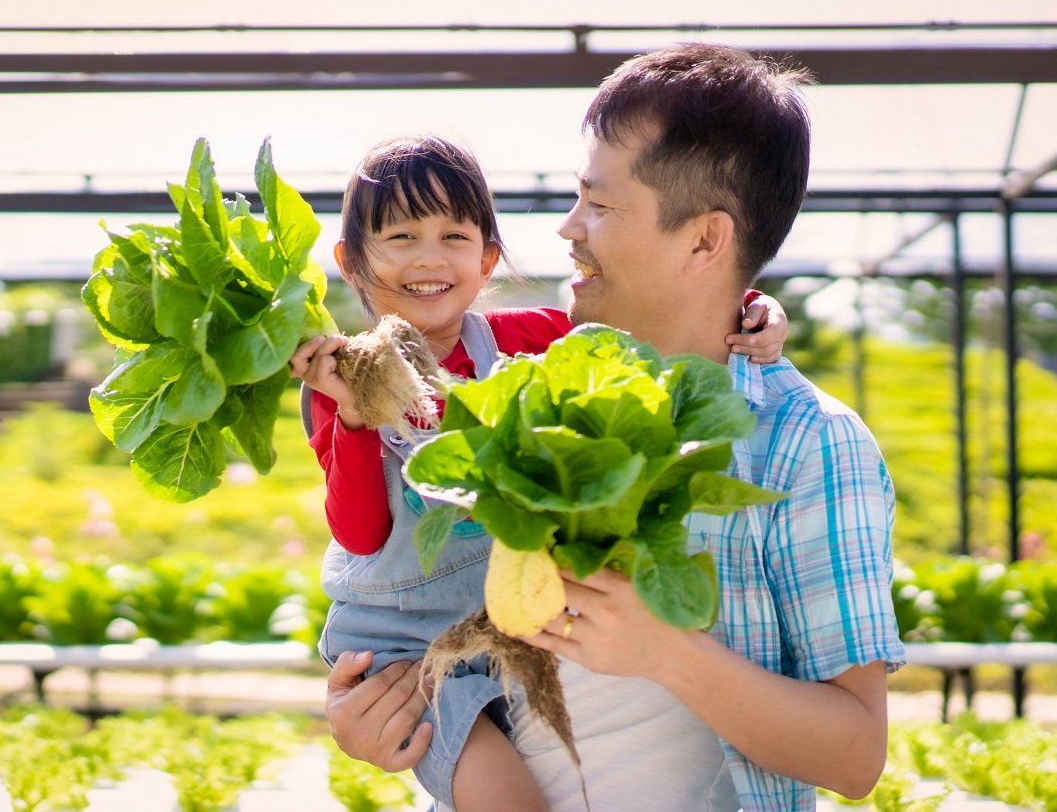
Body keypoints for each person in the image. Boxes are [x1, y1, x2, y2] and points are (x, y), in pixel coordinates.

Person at [323, 45, 906, 811]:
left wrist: (666, 653)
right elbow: (400, 572)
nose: (568, 228)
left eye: (599, 205)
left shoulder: (808, 445)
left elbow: (857, 755)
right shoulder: (530, 393)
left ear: (704, 240)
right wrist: (386, 717)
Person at [290, 133, 788, 811]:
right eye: (400, 236)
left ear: (488, 256)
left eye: (454, 236)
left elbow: (651, 333)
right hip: (405, 643)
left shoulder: (529, 338)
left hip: (506, 618)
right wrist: (354, 419)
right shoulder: (337, 376)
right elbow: (360, 532)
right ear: (351, 260)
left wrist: (751, 308)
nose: (428, 259)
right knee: (508, 798)